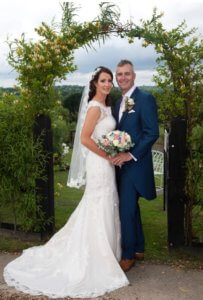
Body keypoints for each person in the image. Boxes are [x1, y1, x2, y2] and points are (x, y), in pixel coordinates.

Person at [3, 67, 129, 298]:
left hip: (106, 163)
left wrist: (115, 147)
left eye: (110, 80)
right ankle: (95, 258)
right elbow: (84, 139)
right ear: (94, 84)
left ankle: (108, 253)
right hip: (99, 163)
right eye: (103, 80)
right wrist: (108, 154)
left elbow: (103, 135)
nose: (108, 84)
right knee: (97, 203)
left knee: (106, 202)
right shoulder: (94, 107)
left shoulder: (107, 106)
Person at [111, 59, 159, 272]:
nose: (123, 78)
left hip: (135, 165)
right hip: (120, 166)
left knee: (126, 210)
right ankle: (138, 247)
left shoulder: (145, 99)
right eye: (119, 74)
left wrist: (130, 155)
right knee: (131, 208)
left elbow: (152, 133)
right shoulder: (117, 103)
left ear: (134, 76)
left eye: (127, 74)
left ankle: (128, 255)